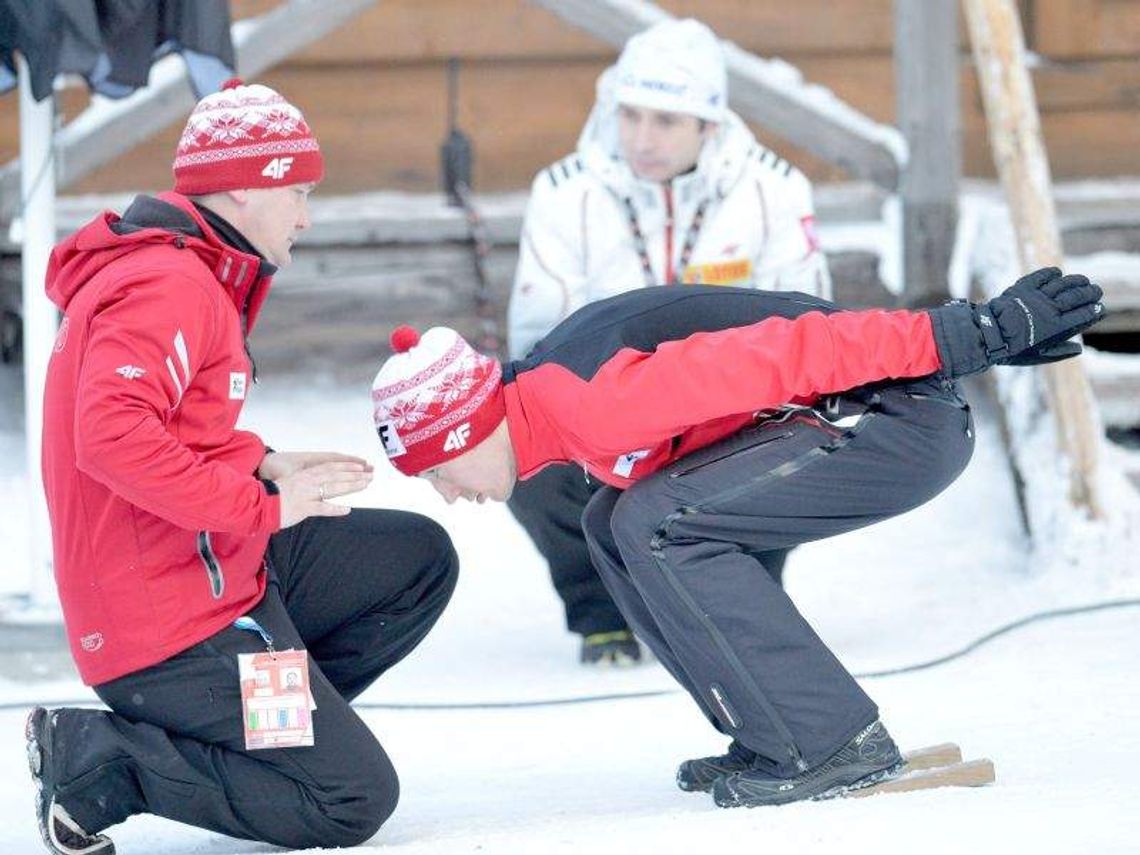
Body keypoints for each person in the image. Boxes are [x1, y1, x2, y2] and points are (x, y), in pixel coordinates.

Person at [370, 269, 1102, 807]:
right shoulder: (554, 401)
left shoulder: (592, 400)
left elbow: (792, 350)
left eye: (439, 468)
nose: (449, 491)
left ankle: (831, 740)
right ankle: (771, 731)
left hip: (895, 423)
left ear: (469, 426)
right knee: (614, 521)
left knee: (654, 525)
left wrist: (959, 337)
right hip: (873, 415)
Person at [27, 79, 459, 855]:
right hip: (165, 622)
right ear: (241, 188)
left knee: (415, 560)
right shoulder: (166, 284)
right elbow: (111, 437)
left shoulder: (189, 273)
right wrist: (265, 506)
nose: (306, 215)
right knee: (350, 796)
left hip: (212, 569)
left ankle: (273, 727)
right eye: (296, 191)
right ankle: (108, 764)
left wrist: (258, 460)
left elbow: (170, 426)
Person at [506, 18, 830, 666]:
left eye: (665, 121)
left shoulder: (774, 188)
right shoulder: (563, 192)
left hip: (735, 410)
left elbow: (811, 332)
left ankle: (750, 596)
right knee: (521, 445)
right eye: (629, 116)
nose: (642, 139)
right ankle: (602, 613)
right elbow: (538, 342)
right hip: (610, 410)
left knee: (802, 432)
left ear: (709, 124)